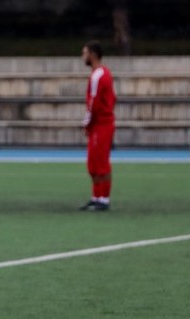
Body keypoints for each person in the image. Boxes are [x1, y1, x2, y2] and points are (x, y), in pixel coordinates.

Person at [80, 40, 117, 211]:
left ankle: (104, 199)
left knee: (101, 162)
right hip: (99, 123)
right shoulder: (101, 74)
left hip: (101, 124)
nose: (83, 57)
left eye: (85, 53)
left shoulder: (98, 75)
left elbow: (94, 103)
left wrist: (86, 122)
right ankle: (96, 197)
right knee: (93, 163)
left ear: (93, 54)